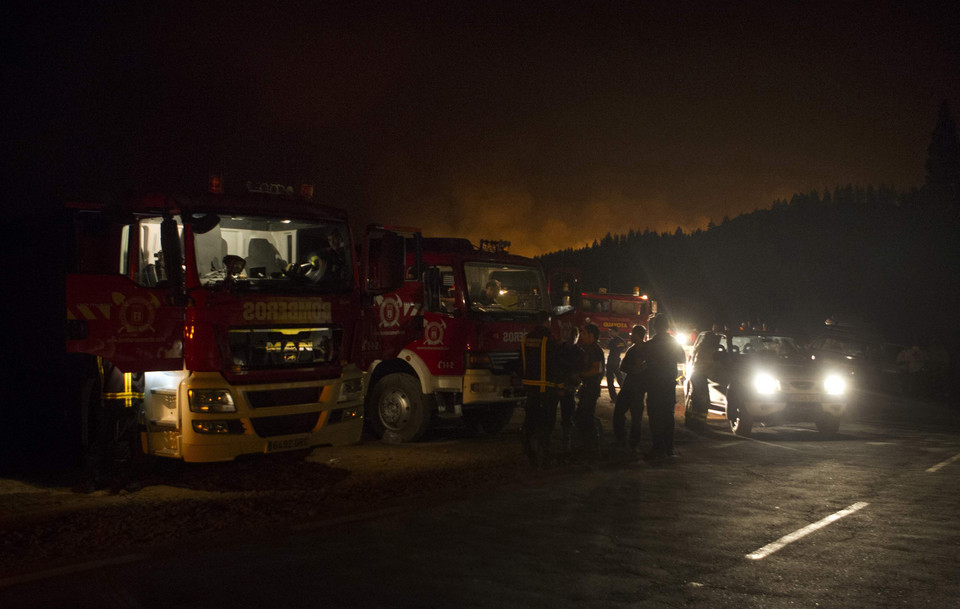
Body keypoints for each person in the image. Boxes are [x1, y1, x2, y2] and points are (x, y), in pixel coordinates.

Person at [73, 357, 145, 494]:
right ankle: (120, 481)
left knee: (105, 438)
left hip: (111, 394)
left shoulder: (110, 340)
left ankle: (100, 480)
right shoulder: (137, 339)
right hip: (121, 394)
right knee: (124, 439)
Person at [643, 315, 686, 462]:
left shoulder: (650, 344)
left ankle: (658, 449)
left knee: (655, 418)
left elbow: (643, 363)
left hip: (654, 386)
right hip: (668, 385)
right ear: (667, 327)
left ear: (654, 327)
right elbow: (682, 358)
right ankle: (669, 449)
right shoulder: (673, 343)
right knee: (668, 417)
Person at [520, 320, 562, 468]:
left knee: (530, 421)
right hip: (546, 389)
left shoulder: (526, 339)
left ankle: (528, 454)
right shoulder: (548, 340)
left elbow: (521, 362)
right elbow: (556, 363)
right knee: (546, 423)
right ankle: (544, 455)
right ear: (547, 323)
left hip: (530, 388)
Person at [613, 325, 648, 453]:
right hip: (630, 387)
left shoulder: (645, 350)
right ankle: (623, 440)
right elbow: (623, 367)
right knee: (621, 413)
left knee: (636, 418)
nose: (630, 336)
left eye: (632, 334)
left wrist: (640, 369)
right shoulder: (632, 350)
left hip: (637, 389)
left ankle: (632, 443)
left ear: (638, 335)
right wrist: (635, 368)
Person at [575, 323, 605, 456]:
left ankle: (592, 444)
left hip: (591, 388)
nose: (582, 336)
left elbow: (596, 369)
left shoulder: (595, 350)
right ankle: (589, 443)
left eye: (585, 334)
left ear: (592, 336)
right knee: (583, 415)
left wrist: (580, 375)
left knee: (585, 416)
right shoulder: (587, 348)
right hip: (587, 387)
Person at [685, 332, 722, 431]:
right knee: (703, 401)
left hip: (697, 375)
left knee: (697, 400)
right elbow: (711, 364)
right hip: (700, 377)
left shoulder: (700, 348)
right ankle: (700, 424)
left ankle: (695, 422)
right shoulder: (708, 350)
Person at [556, 324, 583, 453]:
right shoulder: (560, 350)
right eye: (571, 335)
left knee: (567, 414)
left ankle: (566, 438)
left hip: (568, 388)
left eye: (575, 336)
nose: (573, 338)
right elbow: (556, 370)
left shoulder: (578, 352)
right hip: (560, 386)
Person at [606, 327, 627, 402]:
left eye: (611, 331)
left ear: (615, 332)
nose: (610, 333)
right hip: (616, 361)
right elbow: (624, 348)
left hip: (611, 361)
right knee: (619, 378)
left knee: (610, 380)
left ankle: (614, 397)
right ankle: (625, 394)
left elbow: (608, 347)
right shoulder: (621, 340)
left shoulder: (613, 341)